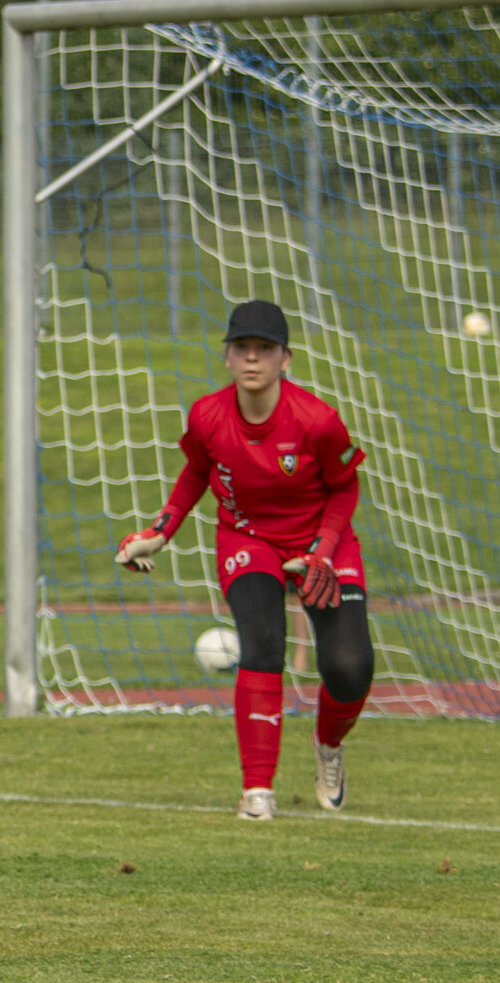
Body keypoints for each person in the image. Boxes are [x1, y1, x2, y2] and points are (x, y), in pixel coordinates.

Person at [116, 299, 373, 820]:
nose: (253, 357)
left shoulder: (318, 420)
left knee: (349, 668)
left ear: (285, 358)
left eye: (265, 348)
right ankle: (257, 790)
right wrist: (160, 532)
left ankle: (327, 745)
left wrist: (323, 551)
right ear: (227, 356)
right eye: (242, 347)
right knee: (263, 642)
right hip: (248, 538)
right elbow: (196, 471)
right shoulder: (207, 415)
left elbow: (345, 488)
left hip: (322, 541)